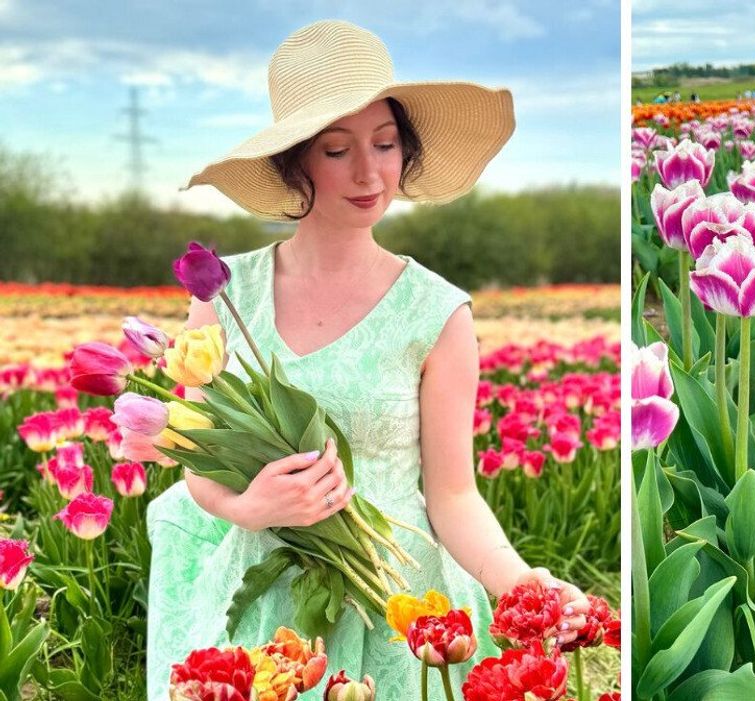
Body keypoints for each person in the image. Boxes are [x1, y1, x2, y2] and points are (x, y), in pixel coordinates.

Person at [146, 20, 591, 701]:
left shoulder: (436, 313)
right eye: (336, 149)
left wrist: (522, 581)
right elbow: (194, 458)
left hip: (399, 605)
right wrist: (247, 504)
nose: (368, 171)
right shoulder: (224, 298)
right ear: (295, 162)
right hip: (268, 602)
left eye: (385, 144)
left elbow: (452, 494)